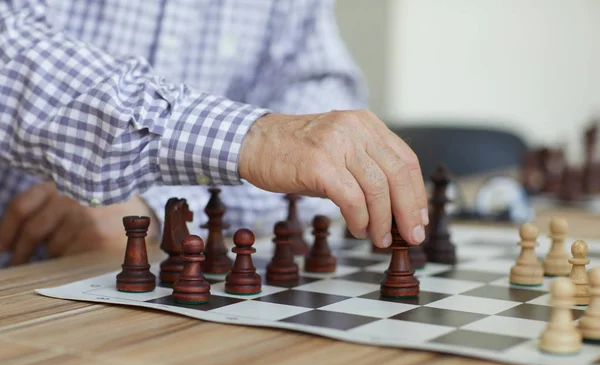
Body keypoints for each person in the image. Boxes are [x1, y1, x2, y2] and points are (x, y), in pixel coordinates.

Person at [0, 0, 428, 267]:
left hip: (147, 281)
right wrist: (252, 139)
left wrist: (165, 208)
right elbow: (9, 51)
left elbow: (319, 129)